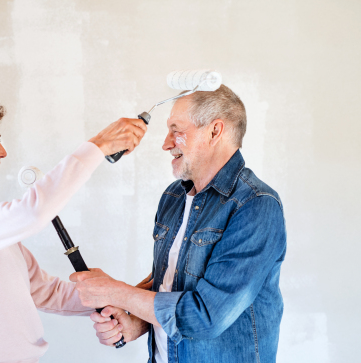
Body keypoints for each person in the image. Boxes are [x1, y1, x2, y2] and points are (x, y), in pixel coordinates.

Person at [0, 94, 146, 363]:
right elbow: (32, 212)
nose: (1, 152)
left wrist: (120, 296)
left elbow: (47, 292)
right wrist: (98, 146)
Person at [70, 85, 287, 363]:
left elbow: (206, 316)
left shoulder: (255, 204)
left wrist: (116, 292)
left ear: (214, 131)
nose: (166, 143)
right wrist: (136, 320)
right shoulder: (174, 197)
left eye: (176, 129)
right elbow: (169, 284)